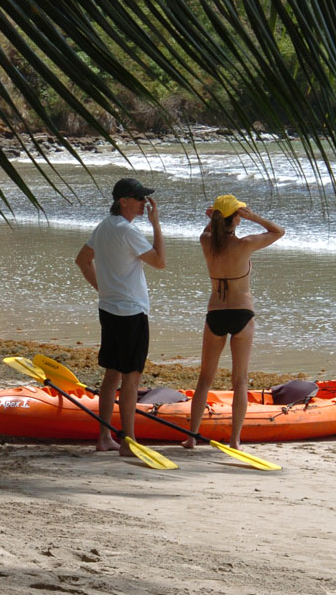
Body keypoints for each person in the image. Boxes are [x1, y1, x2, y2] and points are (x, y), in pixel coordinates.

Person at [182, 194, 284, 450]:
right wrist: (255, 217)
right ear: (237, 218)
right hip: (241, 314)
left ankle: (191, 437)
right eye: (240, 213)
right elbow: (278, 231)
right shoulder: (245, 244)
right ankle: (234, 440)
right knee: (239, 380)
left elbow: (211, 231)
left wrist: (213, 218)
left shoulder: (206, 242)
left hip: (215, 313)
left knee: (205, 379)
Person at [75, 178, 166, 456]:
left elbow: (82, 260)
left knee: (112, 375)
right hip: (130, 312)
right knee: (131, 378)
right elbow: (160, 261)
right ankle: (128, 441)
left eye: (144, 199)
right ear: (123, 201)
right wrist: (156, 225)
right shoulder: (127, 231)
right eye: (138, 199)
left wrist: (102, 288)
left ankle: (104, 437)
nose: (143, 204)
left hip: (110, 309)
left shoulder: (104, 226)